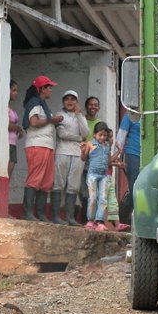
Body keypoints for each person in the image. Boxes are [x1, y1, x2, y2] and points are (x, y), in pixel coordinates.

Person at [21, 75, 64, 222]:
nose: (51, 90)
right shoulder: (34, 103)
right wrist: (52, 119)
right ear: (41, 89)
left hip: (47, 146)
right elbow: (33, 122)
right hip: (37, 145)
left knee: (46, 182)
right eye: (49, 87)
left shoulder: (42, 104)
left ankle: (39, 213)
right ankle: (27, 212)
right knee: (35, 179)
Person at [52, 90, 88, 226]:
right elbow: (62, 134)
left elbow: (85, 132)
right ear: (63, 101)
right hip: (62, 151)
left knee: (73, 186)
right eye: (67, 99)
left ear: (77, 102)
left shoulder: (81, 116)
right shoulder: (59, 115)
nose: (70, 102)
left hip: (77, 153)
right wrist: (79, 138)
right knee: (58, 184)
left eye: (73, 99)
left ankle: (70, 218)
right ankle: (55, 216)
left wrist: (79, 115)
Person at [81, 121, 111, 231]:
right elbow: (84, 158)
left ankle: (100, 221)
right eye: (100, 135)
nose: (102, 137)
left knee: (103, 198)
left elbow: (108, 160)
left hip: (104, 175)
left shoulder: (107, 146)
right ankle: (90, 220)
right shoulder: (90, 144)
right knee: (93, 197)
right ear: (94, 134)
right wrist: (82, 150)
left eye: (105, 135)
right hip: (92, 174)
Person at [114, 111, 140, 220]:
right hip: (133, 154)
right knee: (134, 186)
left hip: (151, 154)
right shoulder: (130, 115)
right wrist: (117, 155)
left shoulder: (152, 112)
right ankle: (124, 217)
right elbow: (121, 134)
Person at [78, 96, 101, 224]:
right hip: (80, 157)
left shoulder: (100, 123)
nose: (93, 107)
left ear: (99, 107)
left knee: (91, 189)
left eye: (95, 105)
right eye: (90, 105)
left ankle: (88, 219)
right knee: (80, 188)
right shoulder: (81, 121)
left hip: (93, 159)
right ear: (86, 107)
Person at [4, 79, 23, 218]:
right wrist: (17, 127)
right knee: (5, 177)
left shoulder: (10, 108)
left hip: (13, 144)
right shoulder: (4, 108)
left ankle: (5, 209)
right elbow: (7, 124)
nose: (16, 93)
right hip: (7, 145)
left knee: (8, 178)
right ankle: (3, 209)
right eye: (14, 90)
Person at [105, 129, 130, 232]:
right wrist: (119, 152)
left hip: (108, 178)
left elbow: (111, 161)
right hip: (103, 178)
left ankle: (117, 224)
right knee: (103, 201)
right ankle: (98, 222)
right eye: (109, 137)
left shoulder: (107, 149)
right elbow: (108, 162)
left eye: (111, 137)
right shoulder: (103, 148)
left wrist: (118, 164)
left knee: (113, 202)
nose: (111, 140)